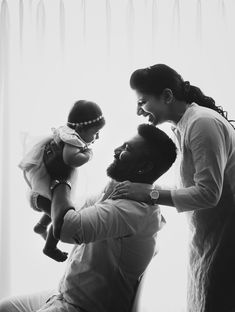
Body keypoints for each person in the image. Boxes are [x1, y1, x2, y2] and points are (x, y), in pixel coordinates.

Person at [0, 124, 177, 312]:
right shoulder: (117, 191)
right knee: (5, 307)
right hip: (64, 295)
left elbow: (67, 228)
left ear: (144, 166)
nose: (116, 150)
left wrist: (61, 179)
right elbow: (72, 208)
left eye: (127, 149)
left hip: (83, 308)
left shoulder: (133, 211)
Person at [110, 64, 235, 312]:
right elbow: (189, 186)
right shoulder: (183, 126)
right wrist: (140, 189)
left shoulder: (202, 123)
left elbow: (209, 193)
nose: (138, 111)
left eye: (142, 102)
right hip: (210, 234)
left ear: (167, 96)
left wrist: (150, 194)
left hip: (227, 234)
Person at [18, 100, 105, 262]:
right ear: (80, 129)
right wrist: (88, 155)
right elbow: (71, 159)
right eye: (95, 132)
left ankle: (41, 226)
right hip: (44, 192)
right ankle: (50, 247)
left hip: (45, 190)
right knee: (61, 217)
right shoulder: (72, 140)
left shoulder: (66, 134)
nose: (97, 137)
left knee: (53, 211)